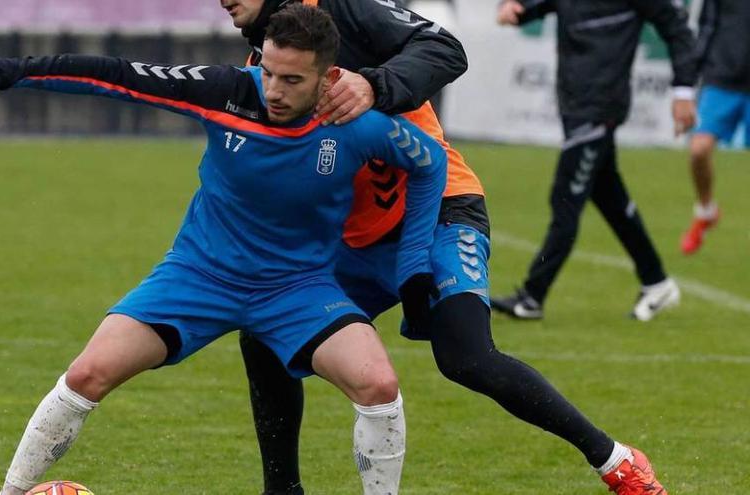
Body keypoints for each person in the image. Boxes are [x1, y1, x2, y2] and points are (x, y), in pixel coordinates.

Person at [0, 5, 449, 494]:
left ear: (328, 76)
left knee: (379, 388)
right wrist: (17, 71)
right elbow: (120, 76)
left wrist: (413, 271)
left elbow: (430, 165)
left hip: (298, 289)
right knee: (85, 375)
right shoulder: (225, 92)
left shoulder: (358, 124)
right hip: (198, 277)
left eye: (292, 80)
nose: (273, 89)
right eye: (268, 72)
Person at [223, 1, 674, 495]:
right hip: (358, 241)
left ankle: (616, 461)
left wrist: (374, 84)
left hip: (440, 210)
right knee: (263, 333)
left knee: (466, 358)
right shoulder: (262, 74)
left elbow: (444, 48)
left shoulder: (345, 10)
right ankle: (281, 489)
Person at [491, 0, 698, 323]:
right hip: (575, 106)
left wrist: (683, 92)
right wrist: (515, 9)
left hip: (600, 110)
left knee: (565, 199)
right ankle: (656, 282)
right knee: (611, 199)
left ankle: (533, 296)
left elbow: (678, 29)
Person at [681, 0, 750, 255]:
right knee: (699, 150)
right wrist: (688, 82)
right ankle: (706, 211)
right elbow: (706, 25)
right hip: (722, 78)